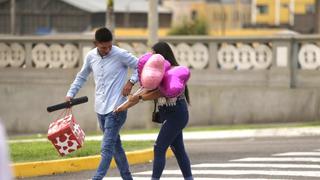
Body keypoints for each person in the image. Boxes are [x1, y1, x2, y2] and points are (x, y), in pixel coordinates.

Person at [65, 27, 138, 180]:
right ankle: (127, 178)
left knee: (106, 149)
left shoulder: (120, 54)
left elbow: (140, 66)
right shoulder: (91, 56)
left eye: (110, 46)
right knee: (116, 147)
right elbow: (82, 76)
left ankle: (97, 178)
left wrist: (131, 82)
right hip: (100, 108)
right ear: (95, 43)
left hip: (117, 108)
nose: (107, 49)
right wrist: (70, 94)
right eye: (104, 47)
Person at [116, 41, 193, 180]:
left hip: (177, 114)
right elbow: (139, 94)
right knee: (179, 150)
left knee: (159, 148)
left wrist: (140, 97)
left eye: (154, 53)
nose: (151, 56)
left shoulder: (172, 73)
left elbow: (160, 93)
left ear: (162, 55)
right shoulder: (154, 73)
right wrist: (121, 108)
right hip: (168, 114)